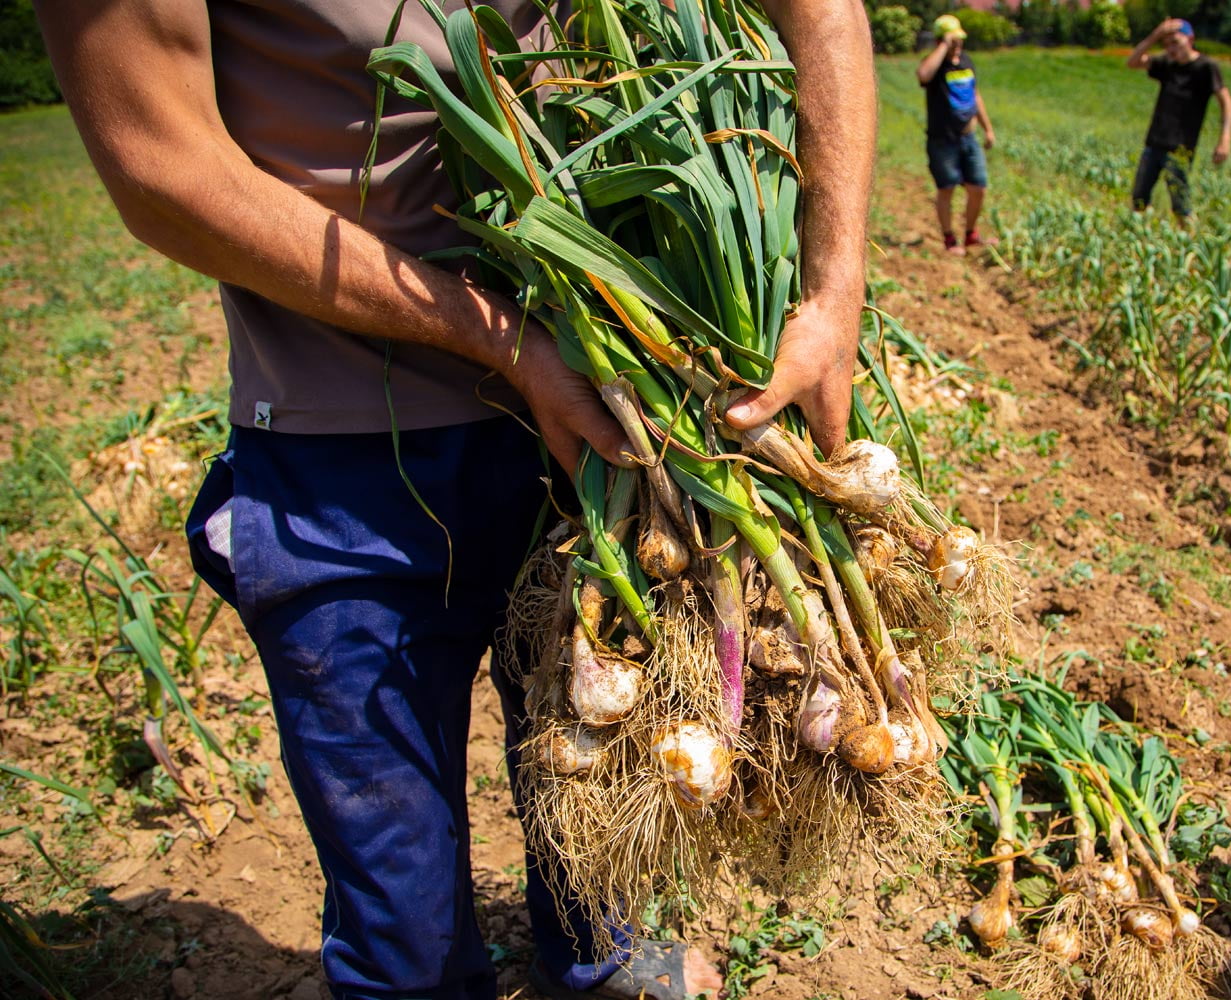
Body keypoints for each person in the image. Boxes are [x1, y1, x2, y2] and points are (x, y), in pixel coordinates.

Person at [35, 1, 876, 998]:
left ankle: (599, 959)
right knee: (406, 929)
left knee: (596, 789)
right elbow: (162, 167)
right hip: (346, 443)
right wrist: (504, 342)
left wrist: (832, 287)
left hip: (607, 400)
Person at [1125, 18, 1231, 226]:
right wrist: (1155, 35)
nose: (1170, 49)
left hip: (1181, 148)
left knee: (1180, 204)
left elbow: (1226, 101)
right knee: (1139, 198)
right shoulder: (1167, 64)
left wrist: (1225, 139)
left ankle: (1187, 242)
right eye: (1166, 44)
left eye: (1175, 42)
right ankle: (1139, 236)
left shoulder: (1206, 67)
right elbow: (1133, 62)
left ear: (1190, 39)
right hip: (1155, 143)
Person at [916, 12, 997, 255]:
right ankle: (949, 239)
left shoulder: (967, 61)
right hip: (942, 140)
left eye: (959, 39)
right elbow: (923, 75)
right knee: (947, 189)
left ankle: (971, 234)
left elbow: (975, 96)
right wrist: (943, 47)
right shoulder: (935, 65)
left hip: (968, 137)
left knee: (978, 187)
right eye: (953, 39)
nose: (958, 44)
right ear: (941, 40)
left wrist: (988, 128)